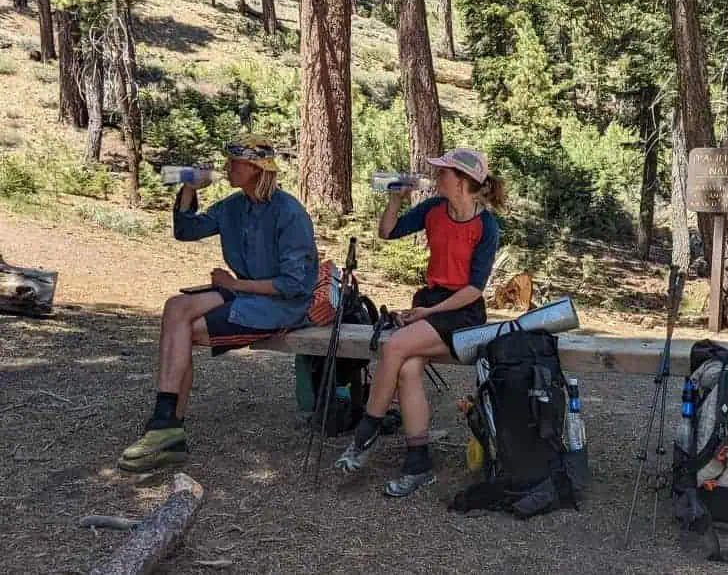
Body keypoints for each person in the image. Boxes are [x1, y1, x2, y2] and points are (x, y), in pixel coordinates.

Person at [117, 136, 318, 472]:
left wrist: (234, 284)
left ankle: (168, 426)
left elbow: (293, 285)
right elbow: (187, 231)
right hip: (245, 292)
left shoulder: (290, 212)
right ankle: (166, 422)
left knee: (184, 330)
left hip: (281, 307)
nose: (226, 168)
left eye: (233, 163)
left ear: (256, 169)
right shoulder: (234, 206)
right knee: (175, 308)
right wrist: (189, 190)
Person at [336, 148, 506, 496]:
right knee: (409, 368)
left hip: (462, 312)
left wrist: (427, 313)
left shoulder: (486, 226)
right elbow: (387, 232)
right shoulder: (433, 210)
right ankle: (418, 462)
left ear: (461, 182)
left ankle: (365, 435)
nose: (437, 176)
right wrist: (395, 200)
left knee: (395, 345)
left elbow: (475, 289)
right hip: (430, 303)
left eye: (444, 172)